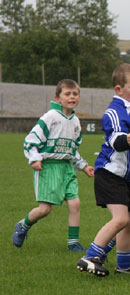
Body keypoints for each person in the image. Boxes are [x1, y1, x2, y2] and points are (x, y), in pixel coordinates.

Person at [76, 64, 130, 277]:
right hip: (109, 174)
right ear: (119, 89)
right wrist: (126, 139)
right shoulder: (114, 111)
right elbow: (114, 138)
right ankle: (91, 256)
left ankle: (124, 265)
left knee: (129, 222)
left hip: (124, 178)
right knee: (122, 220)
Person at [13, 79, 94, 252]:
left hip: (66, 168)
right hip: (48, 167)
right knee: (44, 209)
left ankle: (73, 243)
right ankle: (23, 225)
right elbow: (30, 141)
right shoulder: (50, 117)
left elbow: (72, 150)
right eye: (67, 94)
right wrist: (35, 159)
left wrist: (84, 166)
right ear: (57, 98)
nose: (72, 97)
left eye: (75, 94)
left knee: (75, 204)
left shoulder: (76, 122)